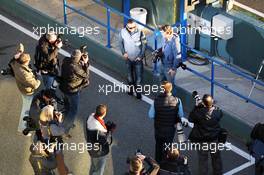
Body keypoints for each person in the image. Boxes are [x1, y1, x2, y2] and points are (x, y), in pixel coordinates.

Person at [148, 81, 184, 163]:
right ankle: (167, 164)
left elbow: (150, 115)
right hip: (170, 130)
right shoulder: (177, 101)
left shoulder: (156, 100)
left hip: (158, 129)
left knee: (158, 147)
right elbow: (181, 114)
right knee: (168, 148)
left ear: (162, 89)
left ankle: (157, 165)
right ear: (171, 89)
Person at [188, 94, 223, 175]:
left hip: (202, 141)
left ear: (203, 103)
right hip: (214, 140)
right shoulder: (217, 112)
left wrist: (196, 106)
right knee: (216, 158)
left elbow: (190, 118)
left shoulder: (198, 112)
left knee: (203, 160)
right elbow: (220, 114)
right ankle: (218, 173)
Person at [10, 47, 41, 136]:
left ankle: (24, 123)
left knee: (27, 107)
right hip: (27, 92)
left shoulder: (15, 63)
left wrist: (19, 52)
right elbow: (35, 85)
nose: (29, 62)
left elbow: (13, 61)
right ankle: (22, 127)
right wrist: (38, 77)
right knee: (26, 110)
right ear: (25, 62)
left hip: (21, 87)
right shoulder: (25, 74)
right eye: (28, 61)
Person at [59, 49, 89, 132]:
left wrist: (79, 57)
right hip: (72, 91)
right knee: (73, 110)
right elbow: (85, 75)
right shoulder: (76, 68)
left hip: (63, 87)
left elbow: (74, 61)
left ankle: (65, 115)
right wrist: (86, 63)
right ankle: (66, 127)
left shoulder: (66, 60)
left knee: (67, 105)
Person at [38, 105, 72, 175]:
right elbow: (62, 131)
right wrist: (59, 120)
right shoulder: (52, 126)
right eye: (53, 111)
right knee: (60, 160)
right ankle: (64, 173)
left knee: (59, 160)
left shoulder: (42, 121)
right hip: (56, 145)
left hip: (47, 144)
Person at [119, 19, 147, 99]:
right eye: (130, 28)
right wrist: (123, 52)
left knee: (138, 78)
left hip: (138, 59)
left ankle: (138, 93)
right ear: (127, 27)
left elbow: (144, 45)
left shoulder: (141, 32)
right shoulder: (122, 32)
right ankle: (131, 90)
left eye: (134, 27)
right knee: (129, 76)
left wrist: (140, 56)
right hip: (128, 58)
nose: (132, 29)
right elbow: (120, 42)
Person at [86, 104, 115, 175]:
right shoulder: (99, 130)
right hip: (99, 153)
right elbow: (106, 141)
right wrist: (110, 132)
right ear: (104, 114)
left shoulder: (90, 117)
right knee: (99, 170)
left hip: (91, 148)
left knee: (94, 165)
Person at [159, 25, 182, 96]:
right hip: (163, 64)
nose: (161, 34)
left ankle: (173, 101)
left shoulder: (175, 42)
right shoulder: (164, 38)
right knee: (162, 81)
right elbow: (163, 48)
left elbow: (178, 56)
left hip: (169, 68)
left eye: (163, 33)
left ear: (168, 33)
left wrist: (173, 69)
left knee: (170, 86)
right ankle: (163, 97)